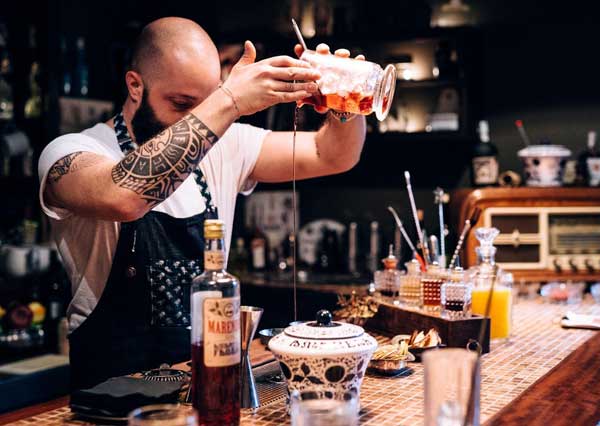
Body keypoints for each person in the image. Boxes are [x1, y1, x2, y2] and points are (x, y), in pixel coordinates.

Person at [37, 17, 366, 390]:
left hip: (204, 392)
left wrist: (344, 102)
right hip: (109, 403)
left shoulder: (224, 148)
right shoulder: (70, 153)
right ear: (134, 85)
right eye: (181, 104)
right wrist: (229, 101)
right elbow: (124, 196)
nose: (199, 118)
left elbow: (333, 153)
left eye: (205, 103)